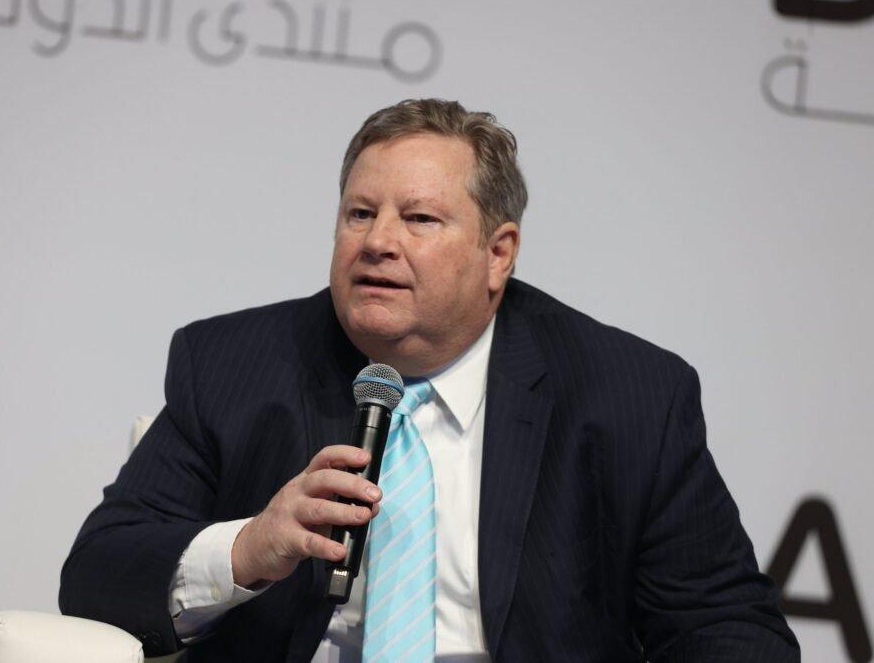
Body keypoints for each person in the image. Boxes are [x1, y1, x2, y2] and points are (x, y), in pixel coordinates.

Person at [59, 99, 799, 661]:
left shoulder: (626, 395)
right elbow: (97, 575)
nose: (378, 241)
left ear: (498, 253)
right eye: (359, 213)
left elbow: (728, 627)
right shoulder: (234, 364)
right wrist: (248, 548)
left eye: (418, 219)